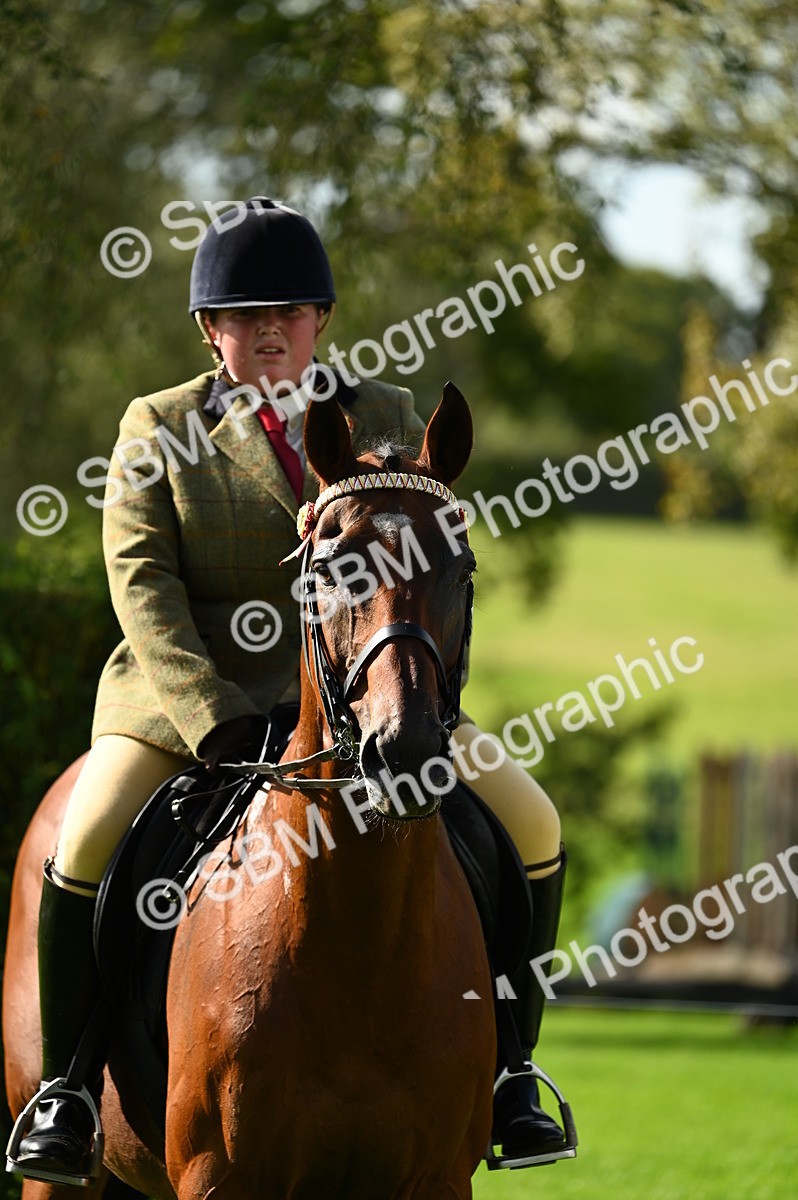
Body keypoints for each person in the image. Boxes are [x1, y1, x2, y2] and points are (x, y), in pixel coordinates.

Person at [10, 198, 570, 1186]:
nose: (270, 331)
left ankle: (511, 1072)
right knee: (86, 837)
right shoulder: (159, 427)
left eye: (291, 313)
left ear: (321, 321)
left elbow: (420, 555)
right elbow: (145, 588)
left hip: (370, 695)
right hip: (186, 707)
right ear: (209, 330)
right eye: (245, 316)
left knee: (532, 821)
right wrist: (213, 717)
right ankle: (66, 1088)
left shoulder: (385, 411)